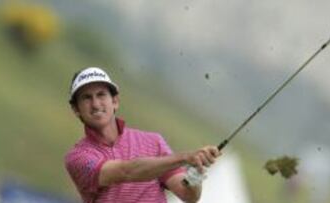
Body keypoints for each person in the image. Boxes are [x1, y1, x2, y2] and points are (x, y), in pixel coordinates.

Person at [64, 67, 221, 203]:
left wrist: (195, 171)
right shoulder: (78, 157)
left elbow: (188, 195)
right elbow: (126, 172)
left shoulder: (154, 142)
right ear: (76, 109)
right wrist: (185, 158)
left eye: (101, 95)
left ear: (115, 101)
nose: (96, 104)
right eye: (86, 98)